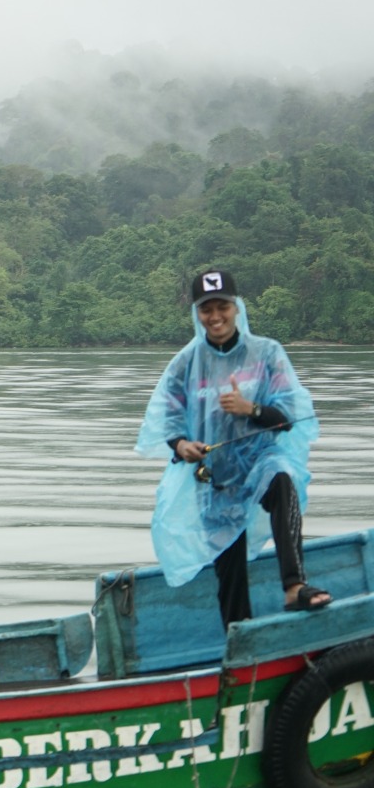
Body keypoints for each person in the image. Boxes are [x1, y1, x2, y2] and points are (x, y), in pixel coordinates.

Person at [135, 269, 330, 628]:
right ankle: (239, 647)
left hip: (261, 460)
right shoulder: (185, 364)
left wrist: (251, 410)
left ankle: (293, 586)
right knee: (231, 576)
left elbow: (290, 417)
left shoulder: (267, 354)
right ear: (197, 313)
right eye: (206, 309)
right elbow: (168, 419)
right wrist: (181, 444)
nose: (215, 316)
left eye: (222, 306)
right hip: (217, 480)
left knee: (281, 480)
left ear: (236, 307)